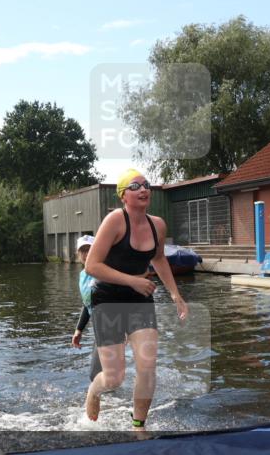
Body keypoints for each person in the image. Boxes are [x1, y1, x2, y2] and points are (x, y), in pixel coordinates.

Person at [84, 169, 188, 429]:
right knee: (114, 377)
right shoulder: (115, 221)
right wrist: (133, 280)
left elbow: (159, 259)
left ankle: (138, 424)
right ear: (123, 196)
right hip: (108, 299)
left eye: (146, 185)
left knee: (147, 366)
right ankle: (94, 391)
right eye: (135, 186)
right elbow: (91, 266)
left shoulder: (158, 224)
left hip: (140, 299)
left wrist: (176, 295)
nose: (143, 190)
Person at [71, 235, 103, 382]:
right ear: (78, 254)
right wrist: (79, 330)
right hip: (99, 329)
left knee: (96, 375)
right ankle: (111, 402)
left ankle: (109, 403)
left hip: (112, 326)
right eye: (82, 250)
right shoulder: (83, 275)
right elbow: (87, 304)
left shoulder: (104, 272)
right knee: (101, 374)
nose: (86, 254)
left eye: (89, 249)